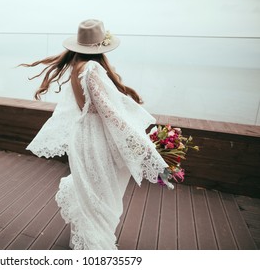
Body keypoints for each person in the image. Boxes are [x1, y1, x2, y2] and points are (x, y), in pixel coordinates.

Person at [22, 19, 172, 250]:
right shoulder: (92, 69)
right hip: (95, 137)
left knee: (93, 191)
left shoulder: (77, 67)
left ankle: (90, 241)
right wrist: (140, 144)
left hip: (84, 134)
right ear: (102, 48)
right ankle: (95, 248)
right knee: (102, 193)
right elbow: (110, 112)